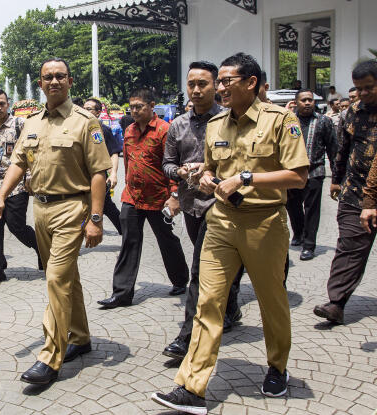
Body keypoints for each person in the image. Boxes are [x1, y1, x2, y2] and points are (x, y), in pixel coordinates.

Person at [151, 53, 309, 414]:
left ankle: (277, 367)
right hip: (221, 221)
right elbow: (211, 168)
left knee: (272, 301)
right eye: (217, 81)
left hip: (265, 222)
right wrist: (203, 176)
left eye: (226, 81)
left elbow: (298, 175)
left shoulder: (280, 120)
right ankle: (191, 386)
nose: (219, 88)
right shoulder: (217, 125)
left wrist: (247, 178)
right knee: (208, 301)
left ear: (250, 83)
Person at [0, 58, 112, 384]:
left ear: (70, 81)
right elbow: (17, 163)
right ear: (40, 84)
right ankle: (81, 337)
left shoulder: (86, 122)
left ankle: (50, 357)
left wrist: (96, 219)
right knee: (66, 276)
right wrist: (1, 197)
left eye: (60, 76)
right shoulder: (30, 123)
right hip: (39, 210)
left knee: (56, 279)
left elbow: (100, 173)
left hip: (72, 209)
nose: (54, 81)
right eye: (47, 77)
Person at [161, 61, 244, 361]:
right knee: (213, 266)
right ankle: (231, 308)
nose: (196, 90)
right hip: (191, 207)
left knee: (199, 273)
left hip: (220, 207)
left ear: (216, 86)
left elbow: (241, 164)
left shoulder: (229, 120)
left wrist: (209, 171)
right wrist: (180, 173)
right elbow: (167, 163)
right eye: (191, 84)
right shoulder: (178, 125)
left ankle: (187, 337)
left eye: (203, 84)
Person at [97, 88, 189, 309]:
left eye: (139, 106)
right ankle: (121, 294)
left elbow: (174, 165)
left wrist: (174, 195)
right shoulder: (128, 130)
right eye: (132, 107)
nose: (134, 111)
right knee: (129, 241)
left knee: (166, 239)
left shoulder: (165, 130)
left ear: (151, 106)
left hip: (159, 198)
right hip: (133, 197)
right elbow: (128, 161)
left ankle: (180, 279)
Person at [315, 60, 377, 325]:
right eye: (358, 88)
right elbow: (343, 148)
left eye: (369, 88)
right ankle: (336, 303)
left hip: (372, 195)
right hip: (354, 193)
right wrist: (337, 179)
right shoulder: (353, 111)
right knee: (349, 247)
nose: (363, 94)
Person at [0, 89, 41, 286]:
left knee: (17, 226)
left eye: (2, 104)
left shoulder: (19, 124)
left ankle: (41, 247)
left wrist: (30, 177)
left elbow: (31, 152)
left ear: (8, 104)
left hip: (16, 186)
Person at [286, 89, 337, 260]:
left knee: (312, 210)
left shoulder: (324, 121)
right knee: (293, 207)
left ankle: (309, 245)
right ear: (296, 102)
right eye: (304, 100)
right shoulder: (288, 121)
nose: (307, 103)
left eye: (310, 100)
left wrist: (336, 177)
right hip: (291, 173)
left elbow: (332, 148)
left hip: (315, 172)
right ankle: (298, 233)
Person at [83, 98, 122, 234]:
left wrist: (113, 174)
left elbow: (113, 153)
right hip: (81, 179)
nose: (84, 111)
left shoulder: (103, 130)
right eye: (83, 108)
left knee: (107, 207)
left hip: (98, 179)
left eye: (89, 109)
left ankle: (128, 235)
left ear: (98, 112)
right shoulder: (78, 129)